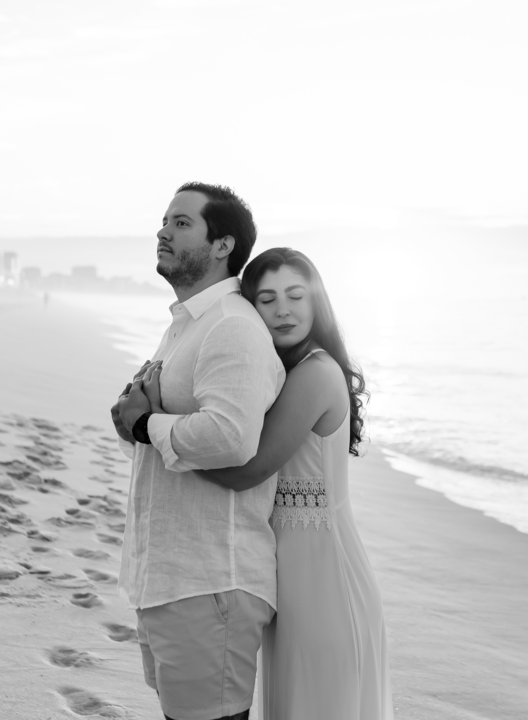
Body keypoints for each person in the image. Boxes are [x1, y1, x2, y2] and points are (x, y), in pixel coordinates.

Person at [138, 247, 393, 720]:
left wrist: (153, 427)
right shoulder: (283, 370)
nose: (283, 310)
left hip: (325, 575)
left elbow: (247, 470)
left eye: (296, 295)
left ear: (318, 303)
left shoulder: (317, 373)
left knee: (321, 704)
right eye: (268, 299)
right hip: (287, 571)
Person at [112, 183, 284, 720]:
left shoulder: (232, 327)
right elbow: (150, 428)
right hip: (168, 576)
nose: (163, 231)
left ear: (222, 245)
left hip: (211, 582)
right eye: (164, 220)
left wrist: (144, 425)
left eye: (182, 222)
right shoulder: (186, 327)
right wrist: (135, 419)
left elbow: (231, 439)